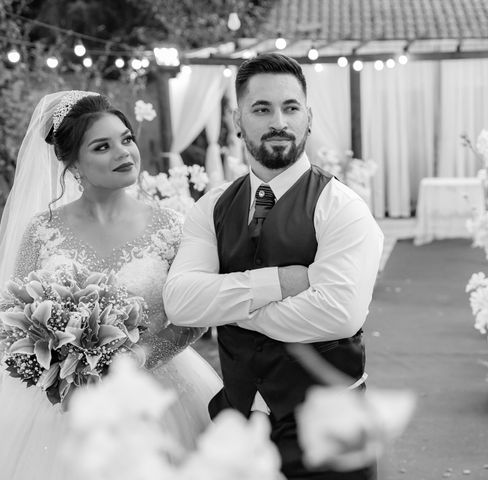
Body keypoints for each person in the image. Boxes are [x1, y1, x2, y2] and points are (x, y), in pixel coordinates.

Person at [163, 53, 383, 479]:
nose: (278, 121)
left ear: (309, 117)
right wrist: (283, 282)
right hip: (239, 428)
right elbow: (182, 303)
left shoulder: (343, 208)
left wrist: (227, 306)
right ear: (237, 120)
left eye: (290, 107)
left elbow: (338, 314)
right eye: (261, 109)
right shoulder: (211, 208)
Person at [0, 91, 223, 479]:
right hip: (61, 404)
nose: (124, 153)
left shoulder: (171, 226)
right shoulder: (42, 230)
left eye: (127, 139)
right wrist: (61, 365)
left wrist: (139, 359)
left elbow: (196, 316)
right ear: (73, 165)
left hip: (159, 393)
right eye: (103, 146)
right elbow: (13, 315)